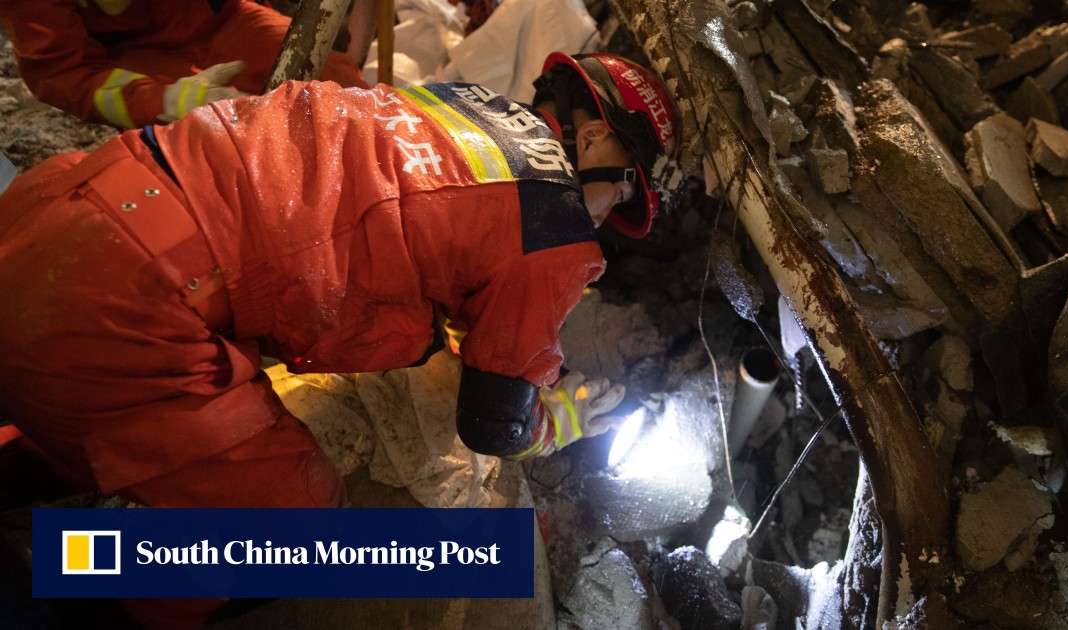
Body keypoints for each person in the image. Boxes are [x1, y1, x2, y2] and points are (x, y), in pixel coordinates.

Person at [0, 51, 679, 626]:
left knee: (67, 403)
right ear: (592, 142)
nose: (609, 214)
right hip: (127, 306)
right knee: (296, 529)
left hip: (60, 211)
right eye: (623, 193)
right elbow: (495, 424)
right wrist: (560, 420)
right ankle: (53, 579)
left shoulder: (456, 105)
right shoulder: (556, 229)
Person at [0, 0, 367, 129]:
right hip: (132, 56)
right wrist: (162, 101)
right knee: (213, 135)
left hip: (221, 19)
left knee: (338, 81)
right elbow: (61, 71)